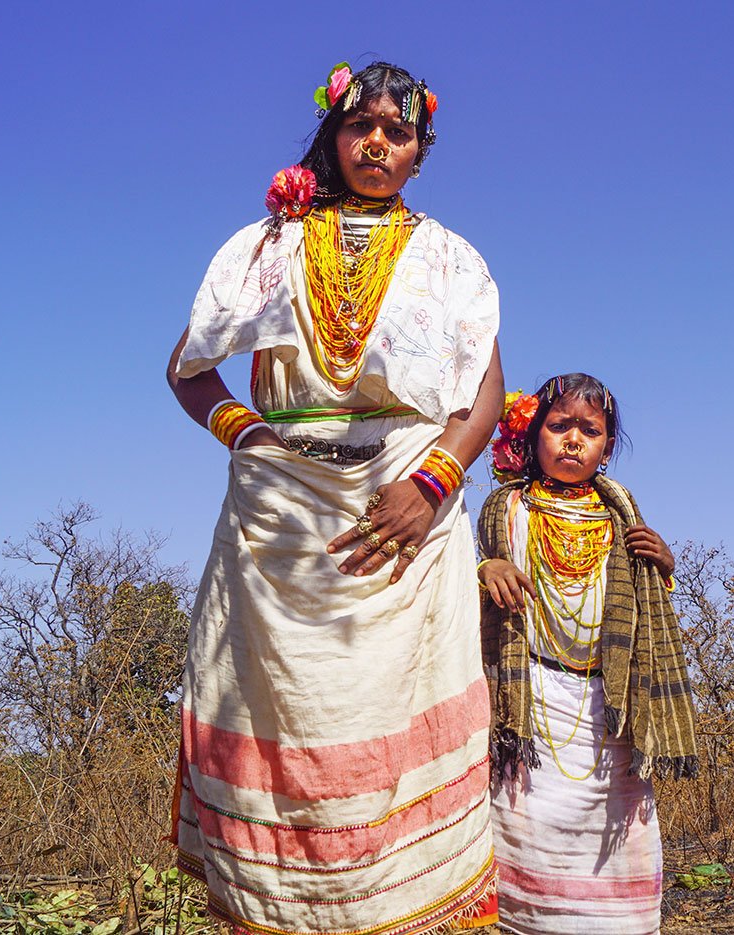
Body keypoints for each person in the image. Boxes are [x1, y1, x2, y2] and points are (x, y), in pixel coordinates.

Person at [166, 61, 502, 934]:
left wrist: (432, 486)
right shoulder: (268, 243)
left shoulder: (450, 259)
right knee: (280, 720)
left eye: (399, 131)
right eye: (363, 127)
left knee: (395, 726)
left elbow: (485, 391)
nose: (379, 143)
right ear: (334, 133)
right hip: (280, 519)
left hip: (409, 515)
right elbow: (187, 365)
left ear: (422, 150)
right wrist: (248, 435)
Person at [478, 374, 698, 935]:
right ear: (531, 438)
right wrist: (487, 568)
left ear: (607, 446)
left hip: (613, 710)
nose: (573, 440)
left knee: (621, 843)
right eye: (558, 426)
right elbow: (455, 579)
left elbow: (644, 601)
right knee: (524, 833)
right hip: (529, 705)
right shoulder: (506, 508)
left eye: (590, 431)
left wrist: (664, 566)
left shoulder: (622, 512)